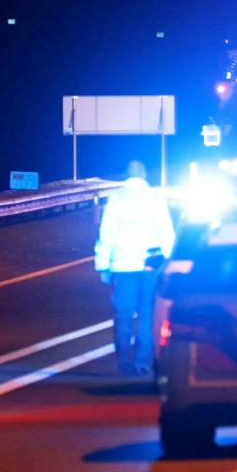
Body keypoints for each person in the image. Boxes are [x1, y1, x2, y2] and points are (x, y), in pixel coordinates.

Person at [95, 160, 176, 376]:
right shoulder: (155, 199)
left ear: (125, 174)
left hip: (122, 266)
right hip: (149, 265)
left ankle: (124, 360)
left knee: (123, 314)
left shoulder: (116, 199)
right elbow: (166, 232)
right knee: (147, 315)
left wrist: (103, 264)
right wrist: (170, 262)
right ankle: (142, 362)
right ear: (145, 175)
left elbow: (106, 234)